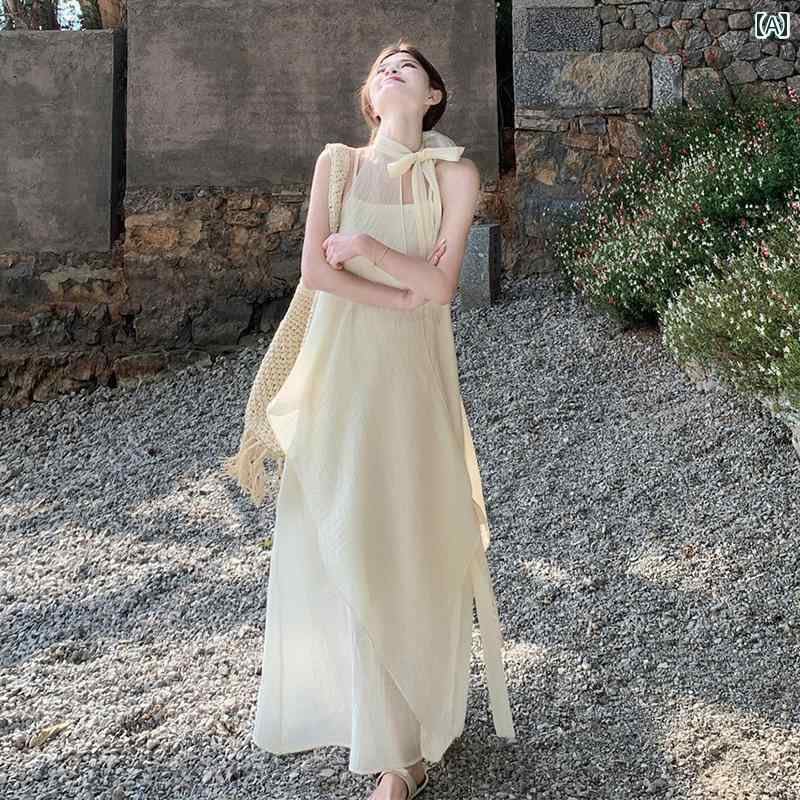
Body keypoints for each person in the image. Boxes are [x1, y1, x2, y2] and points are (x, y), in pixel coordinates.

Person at [251, 39, 516, 800]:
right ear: (371, 99)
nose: (391, 69)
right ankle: (384, 743)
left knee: (410, 541)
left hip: (414, 383)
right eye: (381, 68)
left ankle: (407, 750)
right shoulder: (336, 164)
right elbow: (315, 270)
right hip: (341, 376)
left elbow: (442, 286)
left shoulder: (455, 175)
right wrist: (396, 291)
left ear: (433, 95)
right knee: (349, 538)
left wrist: (369, 249)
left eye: (409, 66)